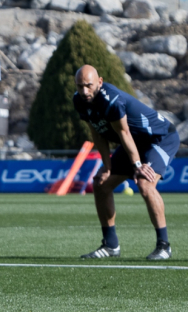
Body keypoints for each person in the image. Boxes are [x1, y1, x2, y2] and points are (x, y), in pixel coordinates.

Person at [73, 65, 178, 261]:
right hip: (133, 143)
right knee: (101, 183)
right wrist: (107, 166)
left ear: (100, 82)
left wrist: (138, 166)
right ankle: (110, 245)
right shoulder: (79, 101)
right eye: (80, 86)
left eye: (89, 85)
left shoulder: (111, 100)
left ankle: (164, 246)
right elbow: (96, 132)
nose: (84, 91)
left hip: (160, 139)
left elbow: (124, 133)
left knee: (145, 183)